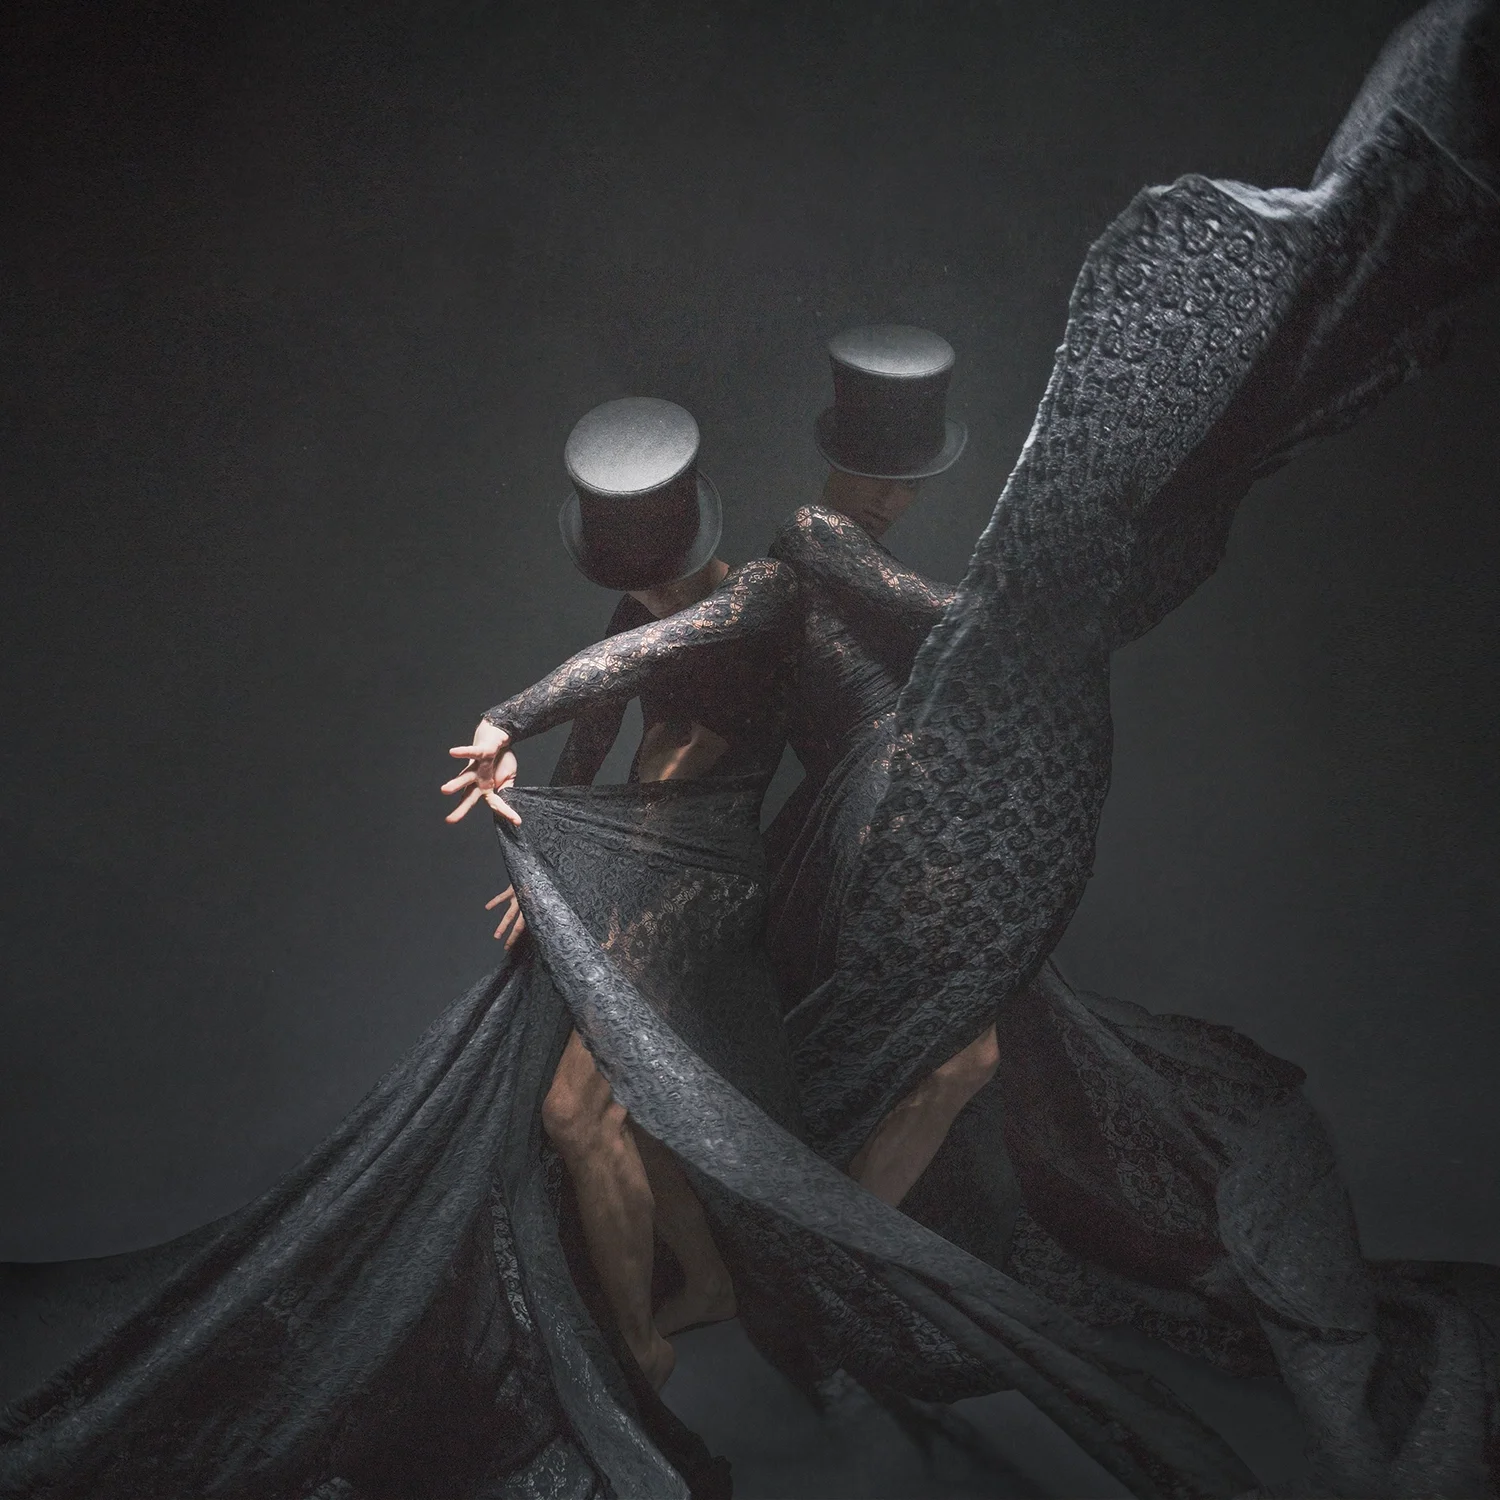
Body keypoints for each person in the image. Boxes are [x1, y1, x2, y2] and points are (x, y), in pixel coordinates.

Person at [0, 398, 1259, 1500]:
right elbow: (601, 735)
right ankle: (698, 1289)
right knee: (610, 1112)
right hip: (631, 872)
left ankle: (663, 1343)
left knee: (582, 1109)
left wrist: (507, 713)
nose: (643, 580)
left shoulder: (765, 593)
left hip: (703, 885)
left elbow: (641, 658)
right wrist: (552, 858)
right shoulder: (634, 610)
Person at [766, 1, 1500, 1492]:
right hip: (925, 825)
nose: (899, 492)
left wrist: (1032, 612)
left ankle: (865, 1283)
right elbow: (904, 631)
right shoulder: (813, 539)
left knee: (983, 1060)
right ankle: (840, 1289)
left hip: (976, 790)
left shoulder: (886, 563)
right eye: (896, 469)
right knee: (947, 1061)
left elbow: (956, 634)